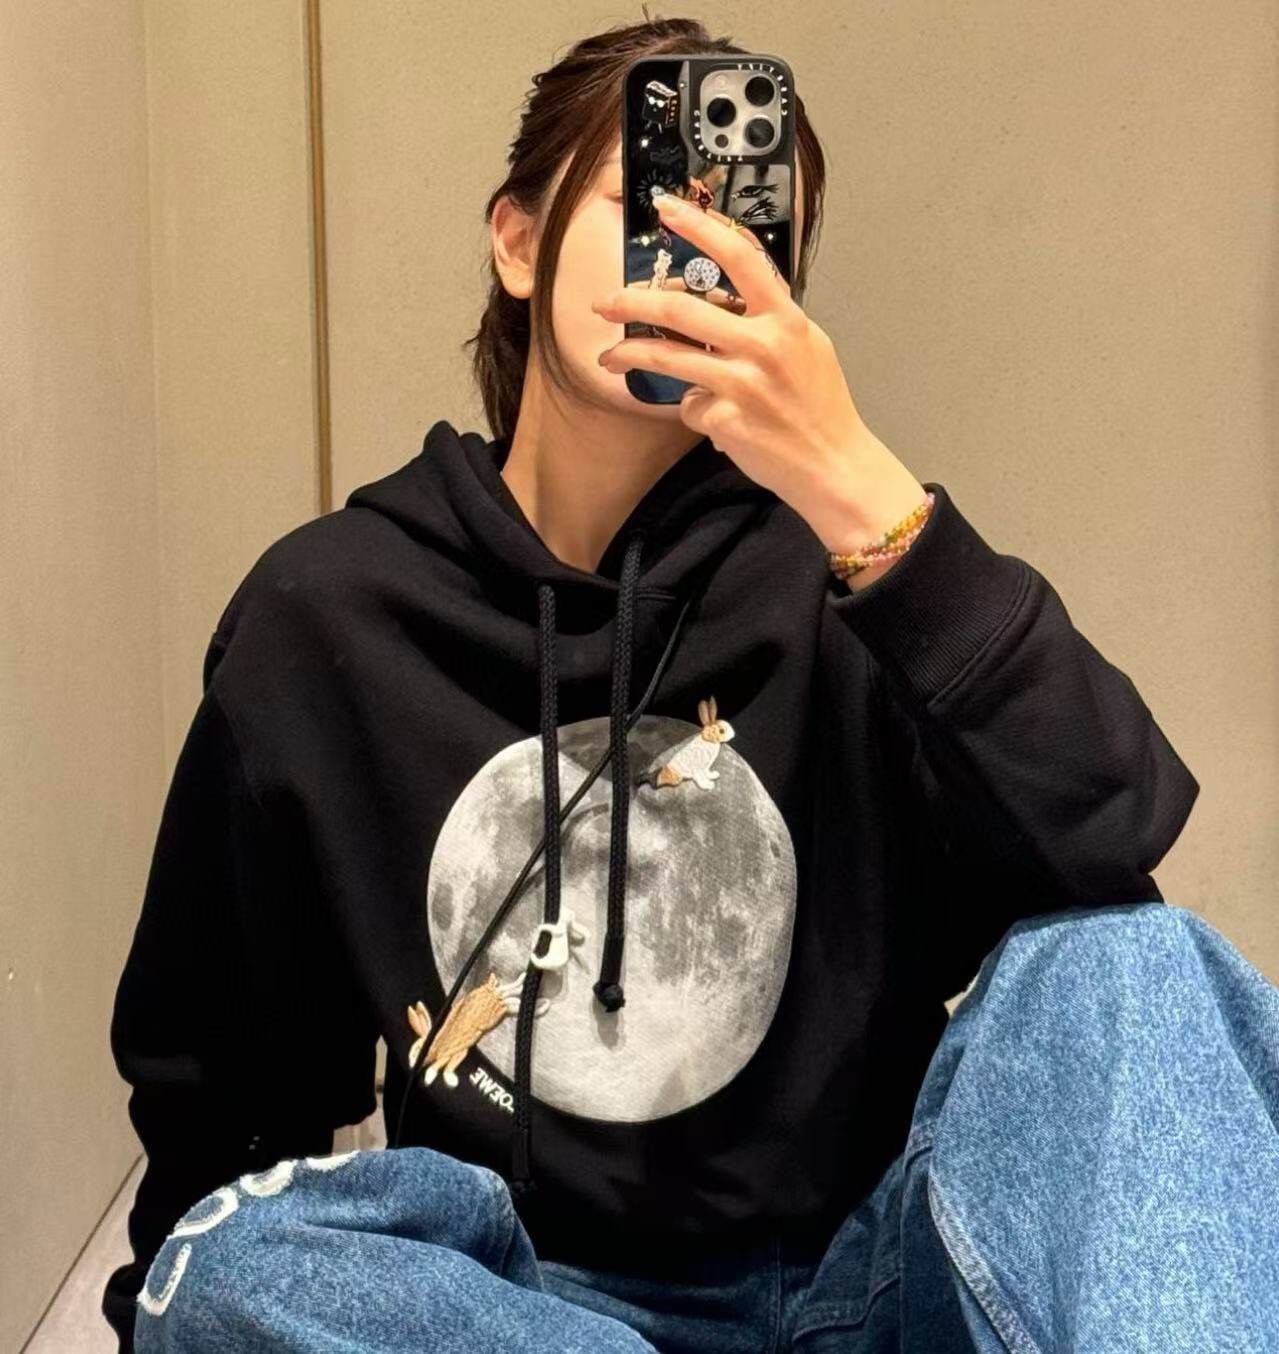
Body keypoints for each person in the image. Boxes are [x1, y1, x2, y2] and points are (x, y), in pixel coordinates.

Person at [103, 14, 1203, 1352]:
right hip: (521, 1302)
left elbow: (1114, 833)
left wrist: (858, 484)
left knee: (1142, 964)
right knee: (221, 1261)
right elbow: (222, 1093)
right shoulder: (329, 612)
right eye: (648, 204)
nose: (687, 259)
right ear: (516, 241)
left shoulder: (854, 578)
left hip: (857, 1282)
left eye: (744, 234)